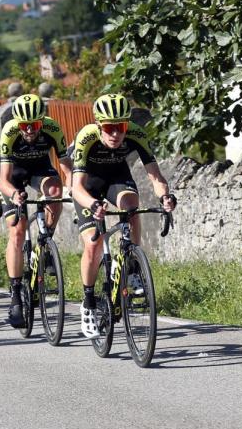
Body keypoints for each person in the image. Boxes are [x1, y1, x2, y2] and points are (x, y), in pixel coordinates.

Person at [70, 93, 177, 338]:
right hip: (88, 187)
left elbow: (155, 176)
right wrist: (93, 204)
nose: (116, 134)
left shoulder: (136, 134)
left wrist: (165, 197)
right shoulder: (86, 137)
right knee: (93, 244)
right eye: (110, 128)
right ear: (99, 125)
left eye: (121, 127)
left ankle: (132, 268)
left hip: (117, 177)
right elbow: (76, 188)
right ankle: (88, 302)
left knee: (131, 207)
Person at [0, 94, 72, 326]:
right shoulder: (10, 131)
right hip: (14, 176)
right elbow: (3, 180)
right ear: (18, 123)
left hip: (40, 170)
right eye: (24, 125)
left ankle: (46, 241)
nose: (29, 130)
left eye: (35, 125)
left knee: (55, 191)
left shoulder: (52, 128)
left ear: (42, 121)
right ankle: (15, 296)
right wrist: (13, 194)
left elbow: (67, 168)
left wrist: (71, 189)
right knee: (17, 232)